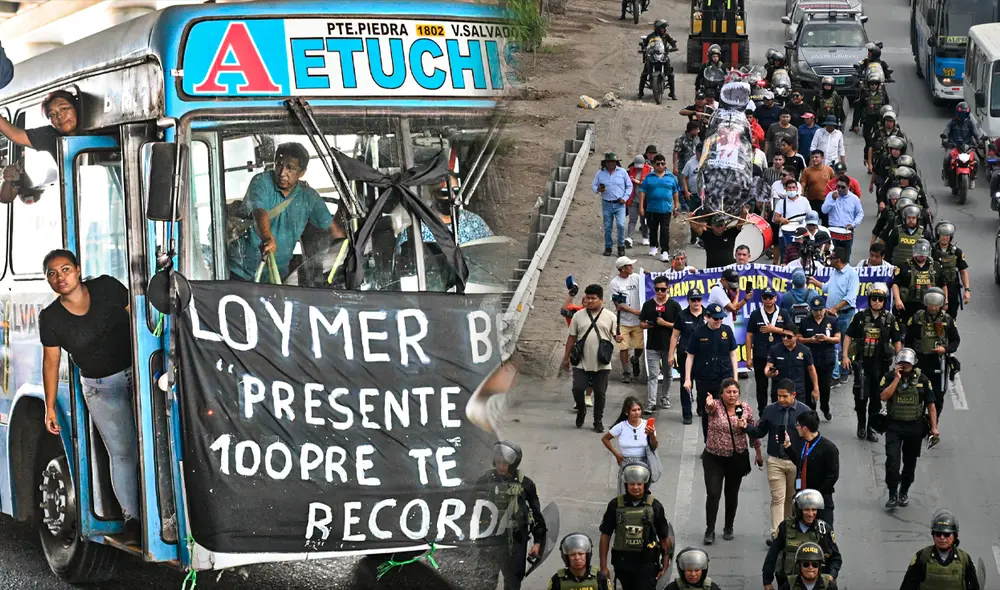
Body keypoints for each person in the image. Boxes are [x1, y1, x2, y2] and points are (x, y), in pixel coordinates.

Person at [38, 249, 141, 544]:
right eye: (52, 274)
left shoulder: (107, 287)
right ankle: (132, 518)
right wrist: (49, 405)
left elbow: (138, 318)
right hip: (100, 388)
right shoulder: (51, 318)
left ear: (79, 270)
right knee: (122, 452)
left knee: (158, 441)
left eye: (65, 269)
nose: (60, 277)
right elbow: (51, 362)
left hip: (139, 376)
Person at [228, 142, 347, 281]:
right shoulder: (261, 182)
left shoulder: (309, 197)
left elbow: (335, 231)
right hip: (240, 272)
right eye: (279, 164)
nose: (282, 173)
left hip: (277, 276)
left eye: (290, 168)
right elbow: (259, 212)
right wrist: (268, 238)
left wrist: (347, 250)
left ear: (302, 173)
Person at [746, 378, 811, 544]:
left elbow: (811, 437)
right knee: (778, 498)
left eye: (784, 396)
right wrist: (746, 427)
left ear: (794, 395)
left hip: (796, 462)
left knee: (791, 499)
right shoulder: (770, 410)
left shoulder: (805, 412)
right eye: (779, 396)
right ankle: (776, 535)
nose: (781, 400)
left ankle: (787, 532)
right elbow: (760, 431)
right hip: (775, 460)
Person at [479, 441, 547, 590]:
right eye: (498, 463)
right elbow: (470, 509)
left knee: (512, 584)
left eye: (505, 463)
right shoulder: (484, 481)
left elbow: (536, 515)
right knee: (485, 583)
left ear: (513, 463)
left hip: (515, 543)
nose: (500, 467)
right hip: (489, 542)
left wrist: (537, 542)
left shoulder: (526, 484)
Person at [701, 378, 762, 545]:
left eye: (735, 392)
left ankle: (729, 527)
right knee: (713, 493)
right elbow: (708, 408)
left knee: (731, 493)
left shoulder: (745, 409)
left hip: (737, 457)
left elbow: (753, 431)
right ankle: (710, 529)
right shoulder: (715, 407)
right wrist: (708, 402)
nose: (732, 395)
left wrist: (757, 451)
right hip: (714, 457)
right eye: (728, 392)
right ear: (721, 394)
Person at [598, 463, 673, 590]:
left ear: (645, 484)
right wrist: (603, 567)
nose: (635, 487)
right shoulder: (615, 505)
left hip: (647, 565)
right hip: (622, 564)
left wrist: (665, 565)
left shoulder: (655, 506)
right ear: (626, 485)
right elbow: (605, 536)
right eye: (631, 484)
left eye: (639, 484)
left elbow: (664, 538)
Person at [880, 348, 939, 508]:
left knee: (910, 463)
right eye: (901, 363)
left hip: (914, 427)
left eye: (907, 363)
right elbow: (884, 397)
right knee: (892, 461)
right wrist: (896, 380)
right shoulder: (889, 376)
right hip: (894, 426)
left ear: (913, 364)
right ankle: (892, 493)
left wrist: (934, 427)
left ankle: (903, 491)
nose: (904, 365)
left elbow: (931, 405)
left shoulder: (923, 380)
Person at [843, 282, 901, 442]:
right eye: (874, 299)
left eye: (880, 299)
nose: (877, 302)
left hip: (881, 366)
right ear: (869, 299)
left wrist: (899, 360)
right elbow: (848, 335)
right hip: (862, 364)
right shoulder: (860, 317)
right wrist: (845, 356)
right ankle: (861, 424)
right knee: (860, 398)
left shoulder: (890, 319)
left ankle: (870, 429)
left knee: (876, 399)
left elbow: (897, 341)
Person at [562, 284, 624, 432]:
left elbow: (617, 336)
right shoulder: (578, 316)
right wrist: (566, 358)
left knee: (600, 393)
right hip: (581, 361)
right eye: (588, 298)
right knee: (578, 388)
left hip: (602, 362)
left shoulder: (610, 316)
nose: (590, 301)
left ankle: (598, 420)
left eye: (593, 298)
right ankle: (581, 409)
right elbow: (571, 338)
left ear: (601, 300)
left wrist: (619, 338)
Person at [762, 491, 842, 590]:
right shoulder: (785, 527)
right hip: (788, 584)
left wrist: (831, 575)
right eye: (806, 510)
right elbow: (772, 555)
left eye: (814, 510)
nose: (810, 514)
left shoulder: (823, 530)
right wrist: (767, 581)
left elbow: (835, 558)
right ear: (798, 510)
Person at [684, 303, 739, 442]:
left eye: (721, 318)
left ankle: (724, 442)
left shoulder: (726, 331)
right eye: (716, 319)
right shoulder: (698, 332)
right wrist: (688, 379)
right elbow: (690, 356)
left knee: (726, 411)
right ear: (707, 317)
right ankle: (708, 443)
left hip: (724, 377)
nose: (719, 321)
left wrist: (735, 378)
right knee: (707, 413)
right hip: (705, 378)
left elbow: (733, 355)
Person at [905, 288, 960, 425]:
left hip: (939, 363)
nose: (933, 308)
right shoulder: (917, 318)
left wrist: (945, 349)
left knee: (938, 395)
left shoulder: (947, 320)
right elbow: (908, 339)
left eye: (936, 305)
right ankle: (918, 419)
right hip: (920, 361)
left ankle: (932, 422)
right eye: (931, 304)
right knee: (918, 392)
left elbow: (955, 340)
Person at [807, 247, 858, 382]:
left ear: (839, 260)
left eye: (832, 258)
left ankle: (845, 370)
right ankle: (835, 375)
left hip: (844, 313)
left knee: (845, 343)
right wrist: (814, 282)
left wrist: (835, 308)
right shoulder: (835, 272)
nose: (830, 261)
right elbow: (826, 288)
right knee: (833, 344)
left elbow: (850, 297)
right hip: (832, 315)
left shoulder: (852, 274)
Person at [900, 510, 981, 590]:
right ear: (933, 535)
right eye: (938, 534)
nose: (942, 538)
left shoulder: (964, 559)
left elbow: (974, 586)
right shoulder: (922, 556)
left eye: (947, 534)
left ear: (954, 536)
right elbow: (908, 585)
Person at [785, 411, 839, 524]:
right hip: (802, 498)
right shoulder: (803, 443)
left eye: (798, 425)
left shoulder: (829, 448)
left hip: (821, 501)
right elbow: (800, 462)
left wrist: (815, 496)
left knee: (825, 536)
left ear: (805, 428)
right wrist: (788, 447)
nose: (796, 428)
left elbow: (832, 476)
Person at [746, 287, 794, 414]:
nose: (768, 300)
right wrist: (748, 357)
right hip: (760, 355)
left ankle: (776, 411)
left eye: (770, 297)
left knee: (777, 387)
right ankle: (762, 412)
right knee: (761, 387)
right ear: (762, 299)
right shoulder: (756, 314)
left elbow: (791, 332)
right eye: (765, 297)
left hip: (778, 356)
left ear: (775, 298)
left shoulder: (783, 313)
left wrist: (774, 330)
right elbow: (749, 335)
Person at [0, 89, 80, 162]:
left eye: (63, 109)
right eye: (52, 115)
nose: (59, 116)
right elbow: (15, 135)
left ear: (76, 108)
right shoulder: (51, 136)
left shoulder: (90, 132)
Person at [640, 276, 682, 411]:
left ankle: (665, 397)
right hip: (652, 345)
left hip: (668, 346)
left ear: (668, 289)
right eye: (657, 289)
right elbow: (641, 323)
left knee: (668, 373)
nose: (660, 292)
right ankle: (651, 402)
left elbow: (680, 326)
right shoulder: (648, 305)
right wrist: (647, 325)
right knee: (652, 375)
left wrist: (665, 324)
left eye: (662, 289)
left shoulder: (674, 305)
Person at [604, 397, 660, 494]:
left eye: (639, 410)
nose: (637, 413)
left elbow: (654, 446)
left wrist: (651, 435)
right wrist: (617, 455)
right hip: (626, 462)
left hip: (644, 462)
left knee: (641, 491)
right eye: (633, 410)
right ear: (627, 412)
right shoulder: (621, 426)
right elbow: (605, 439)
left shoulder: (647, 425)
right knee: (624, 492)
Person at [798, 296, 839, 420]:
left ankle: (825, 408)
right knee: (809, 387)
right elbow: (799, 338)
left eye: (821, 310)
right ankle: (812, 412)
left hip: (827, 360)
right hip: (810, 360)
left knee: (825, 388)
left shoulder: (832, 321)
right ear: (811, 310)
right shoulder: (805, 321)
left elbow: (837, 338)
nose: (818, 313)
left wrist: (826, 339)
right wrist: (810, 340)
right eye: (816, 310)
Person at [669, 288, 706, 425]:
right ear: (688, 300)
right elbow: (675, 335)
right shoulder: (682, 315)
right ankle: (687, 413)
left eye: (698, 299)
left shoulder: (708, 314)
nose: (696, 302)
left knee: (703, 384)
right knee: (686, 384)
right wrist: (670, 354)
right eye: (693, 299)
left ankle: (702, 407)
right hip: (685, 355)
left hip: (703, 356)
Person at [891, 238, 947, 325]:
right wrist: (898, 300)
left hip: (930, 306)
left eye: (924, 253)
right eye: (919, 252)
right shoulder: (904, 266)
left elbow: (943, 285)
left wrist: (945, 301)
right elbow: (895, 284)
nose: (921, 255)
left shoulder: (936, 266)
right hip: (908, 305)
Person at [639, 154, 681, 262]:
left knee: (665, 230)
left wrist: (676, 206)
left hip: (666, 209)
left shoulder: (671, 177)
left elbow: (675, 192)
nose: (661, 166)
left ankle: (665, 251)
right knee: (653, 228)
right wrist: (641, 207)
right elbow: (643, 192)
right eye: (658, 164)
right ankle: (653, 246)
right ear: (654, 165)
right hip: (652, 208)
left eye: (663, 163)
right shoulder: (649, 177)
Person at [765, 324, 819, 408]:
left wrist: (816, 388)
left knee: (797, 417)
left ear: (796, 337)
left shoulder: (805, 350)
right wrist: (769, 373)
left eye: (789, 336)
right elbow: (768, 366)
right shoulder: (774, 349)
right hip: (780, 392)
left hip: (797, 391)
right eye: (783, 336)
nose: (785, 338)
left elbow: (811, 370)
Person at [611, 256, 645, 384]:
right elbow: (618, 305)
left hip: (638, 321)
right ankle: (626, 372)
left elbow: (648, 281)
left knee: (639, 346)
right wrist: (635, 311)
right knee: (623, 347)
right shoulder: (615, 283)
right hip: (624, 321)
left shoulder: (636, 277)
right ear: (622, 269)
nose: (632, 267)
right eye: (629, 265)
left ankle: (635, 360)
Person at [592, 152, 633, 257]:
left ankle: (621, 246)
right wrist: (598, 189)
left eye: (613, 162)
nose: (611, 164)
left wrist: (625, 198)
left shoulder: (622, 172)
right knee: (608, 227)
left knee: (621, 224)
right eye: (609, 162)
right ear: (605, 163)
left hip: (619, 203)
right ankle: (608, 247)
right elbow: (593, 186)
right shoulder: (600, 173)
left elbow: (629, 186)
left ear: (616, 162)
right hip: (607, 203)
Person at [560, 283, 593, 410]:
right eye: (585, 301)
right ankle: (579, 399)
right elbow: (564, 311)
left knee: (592, 374)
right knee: (579, 376)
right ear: (582, 303)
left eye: (591, 300)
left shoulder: (600, 314)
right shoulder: (576, 312)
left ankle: (588, 397)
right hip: (578, 348)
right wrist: (570, 295)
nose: (588, 303)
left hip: (593, 348)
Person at [931, 221, 971, 321]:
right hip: (934, 286)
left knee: (951, 318)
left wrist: (967, 290)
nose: (945, 238)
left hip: (951, 288)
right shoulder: (931, 250)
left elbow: (963, 271)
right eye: (943, 235)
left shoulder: (956, 252)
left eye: (948, 235)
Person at [548, 533, 613, 590]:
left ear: (587, 555)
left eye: (581, 554)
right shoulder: (557, 580)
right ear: (566, 557)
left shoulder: (600, 578)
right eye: (572, 554)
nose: (577, 558)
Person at [941, 102, 984, 182]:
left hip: (968, 148)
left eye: (964, 114)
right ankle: (946, 176)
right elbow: (946, 132)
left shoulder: (970, 124)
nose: (962, 116)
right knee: (946, 158)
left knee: (977, 160)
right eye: (961, 114)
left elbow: (977, 134)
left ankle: (973, 177)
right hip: (953, 147)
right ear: (957, 113)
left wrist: (980, 142)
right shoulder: (952, 122)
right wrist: (945, 139)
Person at [821, 180, 863, 260]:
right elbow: (824, 210)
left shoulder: (854, 199)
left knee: (845, 257)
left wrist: (853, 224)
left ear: (848, 187)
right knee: (831, 257)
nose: (840, 189)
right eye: (838, 187)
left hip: (846, 230)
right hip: (833, 230)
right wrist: (832, 200)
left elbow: (860, 213)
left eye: (843, 187)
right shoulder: (831, 195)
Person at [882, 205, 932, 270]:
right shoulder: (896, 231)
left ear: (917, 219)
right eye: (909, 218)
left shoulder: (924, 233)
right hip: (897, 267)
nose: (911, 220)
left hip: (917, 269)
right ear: (905, 219)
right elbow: (888, 250)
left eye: (913, 218)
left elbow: (930, 252)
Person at [639, 19, 678, 100]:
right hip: (652, 55)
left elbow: (672, 42)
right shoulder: (650, 36)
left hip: (663, 55)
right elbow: (645, 44)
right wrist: (643, 48)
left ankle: (672, 93)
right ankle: (640, 92)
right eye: (662, 28)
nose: (664, 30)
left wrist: (674, 47)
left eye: (664, 28)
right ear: (657, 29)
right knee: (644, 73)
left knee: (670, 73)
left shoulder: (666, 36)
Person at [626, 154, 652, 248]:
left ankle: (645, 237)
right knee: (632, 219)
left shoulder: (650, 171)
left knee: (644, 220)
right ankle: (629, 237)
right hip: (633, 199)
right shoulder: (630, 171)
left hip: (645, 201)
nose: (638, 169)